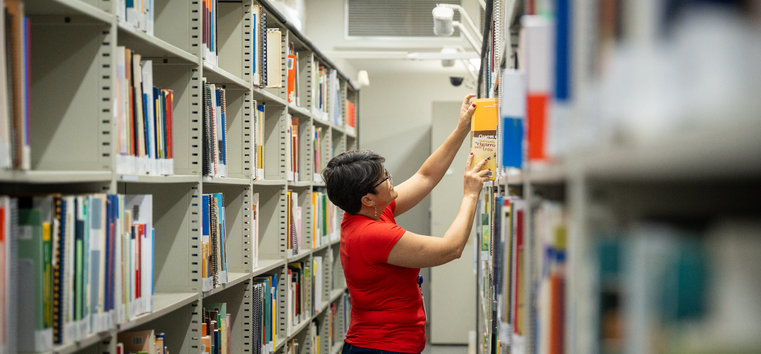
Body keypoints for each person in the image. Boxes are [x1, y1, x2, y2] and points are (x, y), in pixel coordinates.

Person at [321, 94, 491, 354]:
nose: (391, 180)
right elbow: (451, 248)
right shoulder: (373, 234)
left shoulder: (364, 213)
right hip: (380, 348)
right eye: (384, 179)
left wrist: (462, 128)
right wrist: (470, 194)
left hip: (385, 345)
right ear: (367, 198)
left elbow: (426, 176)